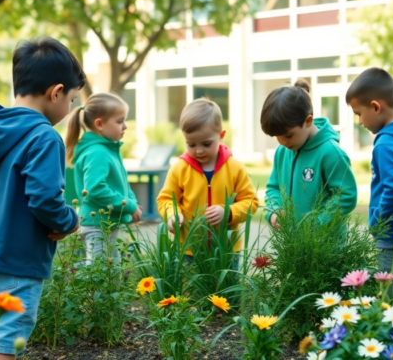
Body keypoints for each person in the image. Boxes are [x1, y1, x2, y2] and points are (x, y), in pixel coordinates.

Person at [0, 37, 84, 360]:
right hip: (19, 252)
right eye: (72, 99)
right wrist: (69, 221)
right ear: (56, 92)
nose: (69, 107)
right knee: (6, 340)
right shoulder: (44, 136)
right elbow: (44, 198)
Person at [347, 68, 393, 309]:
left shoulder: (386, 144)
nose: (359, 121)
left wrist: (377, 221)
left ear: (376, 107)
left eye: (359, 114)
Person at [157, 98, 258, 262]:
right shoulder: (179, 169)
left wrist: (228, 212)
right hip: (189, 248)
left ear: (221, 135)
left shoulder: (235, 168)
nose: (199, 150)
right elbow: (166, 199)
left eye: (206, 143)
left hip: (226, 249)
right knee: (191, 287)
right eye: (191, 144)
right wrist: (172, 215)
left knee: (226, 286)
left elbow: (251, 201)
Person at [262, 79, 357, 228]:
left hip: (325, 246)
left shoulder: (331, 153)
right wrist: (274, 211)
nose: (282, 142)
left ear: (308, 121)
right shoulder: (282, 151)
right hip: (293, 244)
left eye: (288, 135)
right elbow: (273, 188)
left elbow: (345, 195)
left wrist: (317, 223)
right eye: (277, 137)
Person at [65, 93, 141, 264]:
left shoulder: (107, 150)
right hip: (97, 225)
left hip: (105, 223)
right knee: (99, 273)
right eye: (120, 121)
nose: (125, 126)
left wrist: (132, 204)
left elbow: (121, 183)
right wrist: (128, 205)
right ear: (99, 124)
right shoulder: (97, 153)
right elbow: (95, 189)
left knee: (111, 272)